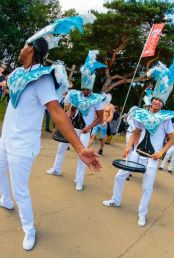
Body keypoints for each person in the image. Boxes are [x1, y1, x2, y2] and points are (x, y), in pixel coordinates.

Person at [0, 37, 101, 251]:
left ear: (30, 49)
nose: (20, 48)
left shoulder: (43, 79)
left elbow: (57, 114)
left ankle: (29, 229)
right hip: (5, 139)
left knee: (20, 190)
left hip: (23, 145)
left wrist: (80, 148)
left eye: (23, 45)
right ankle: (5, 200)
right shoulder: (17, 73)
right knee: (0, 173)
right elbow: (5, 84)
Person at [102, 58, 174, 227]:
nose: (156, 102)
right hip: (136, 153)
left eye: (160, 101)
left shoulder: (166, 119)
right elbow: (137, 132)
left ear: (162, 103)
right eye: (155, 99)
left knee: (147, 188)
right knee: (120, 177)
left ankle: (142, 214)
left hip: (151, 159)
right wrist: (127, 147)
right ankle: (115, 200)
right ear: (153, 99)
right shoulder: (141, 114)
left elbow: (170, 139)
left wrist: (160, 153)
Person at [47, 50, 106, 191]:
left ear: (91, 86)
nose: (85, 91)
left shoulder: (97, 99)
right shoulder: (76, 95)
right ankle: (56, 169)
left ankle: (79, 181)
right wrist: (65, 120)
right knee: (61, 148)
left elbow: (100, 118)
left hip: (85, 130)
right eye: (84, 88)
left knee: (82, 155)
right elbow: (72, 110)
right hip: (72, 127)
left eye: (87, 89)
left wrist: (89, 127)